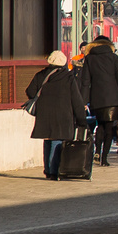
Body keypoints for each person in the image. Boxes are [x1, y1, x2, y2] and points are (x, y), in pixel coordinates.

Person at [25, 50, 87, 180]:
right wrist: (81, 118)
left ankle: (47, 169)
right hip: (62, 114)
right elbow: (76, 100)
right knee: (57, 141)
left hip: (45, 113)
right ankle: (54, 171)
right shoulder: (69, 77)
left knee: (48, 140)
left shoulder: (41, 75)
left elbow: (30, 91)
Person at [83, 34, 118, 167]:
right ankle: (104, 158)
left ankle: (97, 151)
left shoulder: (89, 59)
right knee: (109, 127)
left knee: (100, 125)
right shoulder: (113, 57)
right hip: (113, 97)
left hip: (96, 97)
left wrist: (84, 101)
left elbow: (85, 81)